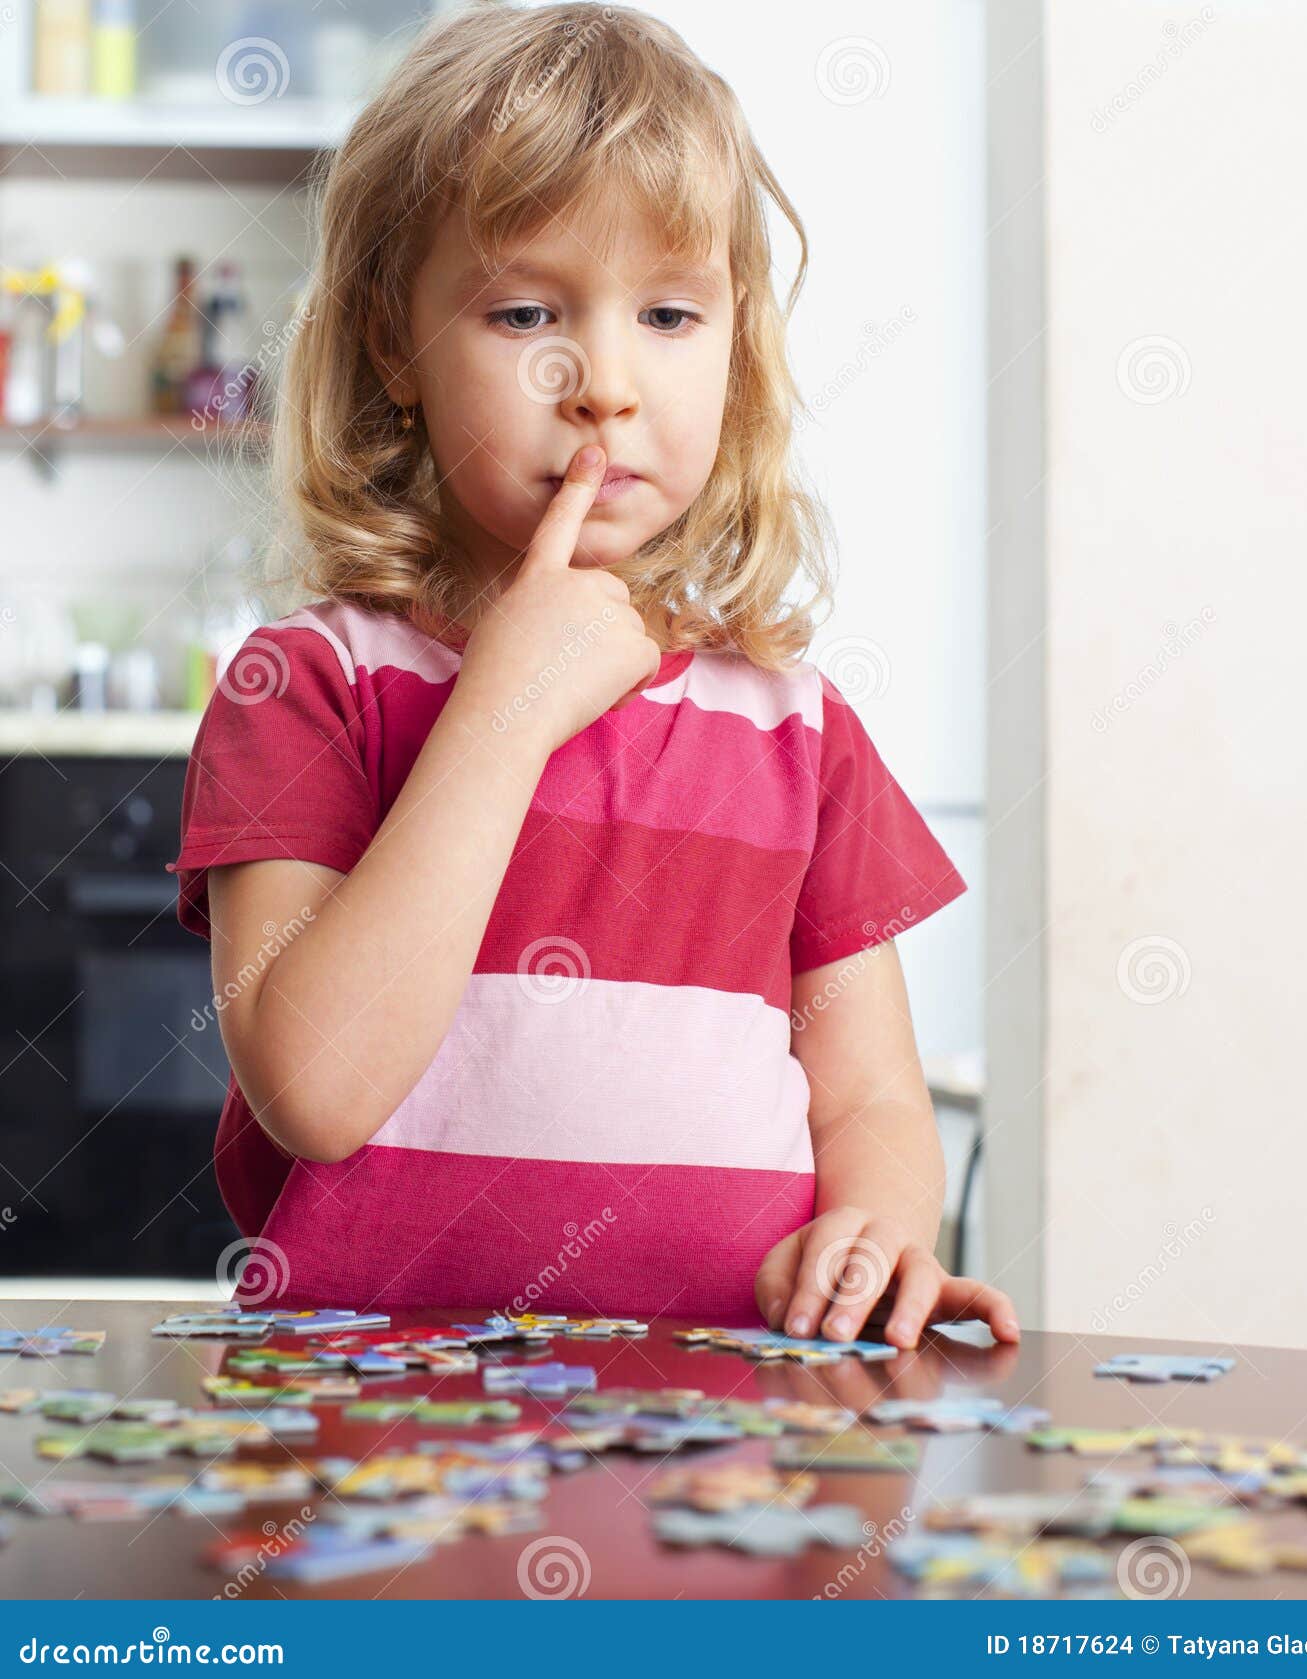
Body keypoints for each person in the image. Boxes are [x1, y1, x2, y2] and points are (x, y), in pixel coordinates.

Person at [167, 1, 1019, 1348]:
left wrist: (880, 1228)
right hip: (367, 1445)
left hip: (729, 1446)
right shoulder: (308, 686)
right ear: (395, 339)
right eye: (524, 311)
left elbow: (870, 1101)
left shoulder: (799, 728)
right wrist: (506, 705)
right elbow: (316, 1089)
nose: (605, 384)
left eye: (671, 312)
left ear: (736, 349)